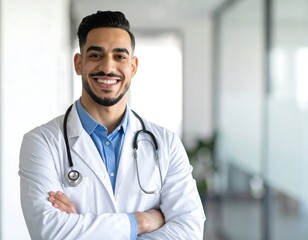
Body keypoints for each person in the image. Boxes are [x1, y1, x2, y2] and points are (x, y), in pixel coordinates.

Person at [19, 10, 205, 240]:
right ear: (79, 63)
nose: (108, 67)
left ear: (133, 67)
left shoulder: (166, 144)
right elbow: (50, 231)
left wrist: (79, 226)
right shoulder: (41, 143)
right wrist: (142, 221)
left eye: (120, 56)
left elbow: (189, 230)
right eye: (96, 55)